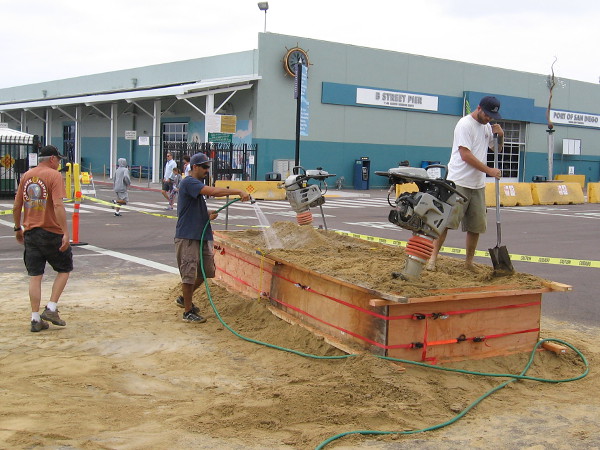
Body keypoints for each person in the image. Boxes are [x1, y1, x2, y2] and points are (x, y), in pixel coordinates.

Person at [426, 96, 504, 272]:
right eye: (487, 114)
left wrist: (501, 136)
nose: (489, 118)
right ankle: (432, 258)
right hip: (459, 181)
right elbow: (465, 155)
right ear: (479, 108)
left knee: (475, 226)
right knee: (446, 222)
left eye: (493, 116)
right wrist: (489, 170)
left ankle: (468, 263)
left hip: (477, 184)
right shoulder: (465, 124)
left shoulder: (487, 128)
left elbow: (496, 149)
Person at [174, 152, 251, 322]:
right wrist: (238, 191)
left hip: (201, 235)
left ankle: (184, 298)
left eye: (208, 167)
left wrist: (206, 214)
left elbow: (190, 209)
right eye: (204, 167)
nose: (207, 170)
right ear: (194, 167)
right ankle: (188, 311)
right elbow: (214, 192)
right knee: (189, 273)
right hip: (188, 236)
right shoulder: (189, 182)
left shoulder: (195, 185)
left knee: (206, 271)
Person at [12, 145, 73, 332]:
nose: (59, 163)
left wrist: (17, 227)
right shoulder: (54, 176)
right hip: (51, 230)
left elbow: (16, 206)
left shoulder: (27, 175)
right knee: (64, 268)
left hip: (31, 230)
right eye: (59, 160)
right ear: (53, 159)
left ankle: (35, 318)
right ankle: (51, 307)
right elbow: (58, 205)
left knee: (35, 276)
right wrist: (65, 232)